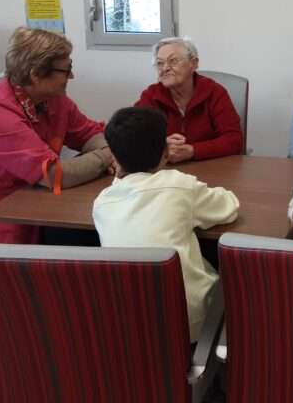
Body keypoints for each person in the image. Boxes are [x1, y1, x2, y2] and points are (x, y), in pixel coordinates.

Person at [0, 28, 113, 267]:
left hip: (34, 203)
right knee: (83, 248)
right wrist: (107, 156)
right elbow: (55, 176)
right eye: (66, 70)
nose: (72, 76)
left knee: (99, 239)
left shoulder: (54, 100)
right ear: (36, 75)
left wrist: (105, 151)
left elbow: (90, 133)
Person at [93, 107, 239, 341]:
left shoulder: (102, 203)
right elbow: (229, 207)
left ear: (114, 157)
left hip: (131, 326)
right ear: (165, 152)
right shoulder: (179, 185)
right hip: (191, 324)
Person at [135, 37, 243, 163]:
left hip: (210, 166)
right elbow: (130, 136)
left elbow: (234, 140)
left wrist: (192, 151)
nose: (165, 68)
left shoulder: (214, 92)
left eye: (173, 61)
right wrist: (161, 146)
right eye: (160, 63)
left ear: (194, 63)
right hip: (166, 169)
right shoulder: (151, 95)